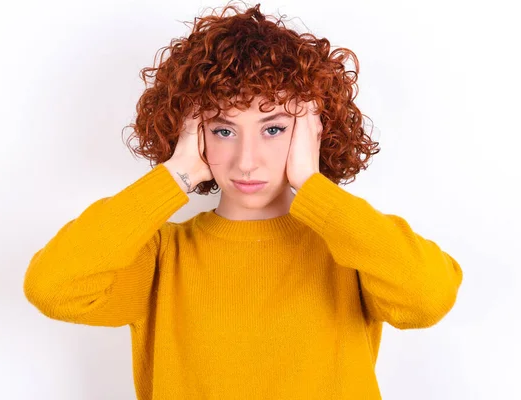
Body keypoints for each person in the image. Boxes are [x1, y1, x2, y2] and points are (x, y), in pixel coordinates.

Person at [23, 3, 463, 399]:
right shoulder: (162, 257)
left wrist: (312, 184)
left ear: (313, 133)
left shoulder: (352, 246)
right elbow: (53, 287)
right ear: (190, 135)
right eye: (222, 130)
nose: (246, 161)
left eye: (273, 129)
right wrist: (176, 177)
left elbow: (428, 297)